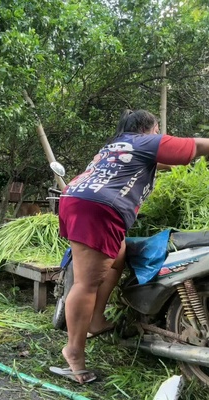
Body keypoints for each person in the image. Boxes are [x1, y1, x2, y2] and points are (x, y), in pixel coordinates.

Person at [51, 109, 209, 384]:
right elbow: (195, 146)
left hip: (79, 201)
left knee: (118, 252)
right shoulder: (145, 141)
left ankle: (96, 320)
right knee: (86, 284)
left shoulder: (116, 147)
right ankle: (73, 353)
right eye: (159, 129)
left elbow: (167, 163)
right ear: (151, 128)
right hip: (98, 209)